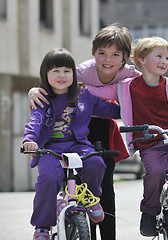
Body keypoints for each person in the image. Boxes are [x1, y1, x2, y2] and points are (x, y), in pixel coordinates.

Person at [27, 24, 168, 240]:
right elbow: (49, 92)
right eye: (102, 53)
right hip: (71, 130)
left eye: (115, 54)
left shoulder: (128, 75)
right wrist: (33, 91)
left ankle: (102, 224)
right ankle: (60, 228)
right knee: (53, 177)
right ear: (93, 53)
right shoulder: (80, 73)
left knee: (102, 177)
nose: (107, 59)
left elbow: (152, 82)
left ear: (124, 58)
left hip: (98, 128)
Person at [86, 36, 168, 237]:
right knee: (155, 172)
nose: (164, 61)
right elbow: (98, 91)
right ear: (140, 60)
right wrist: (70, 87)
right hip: (150, 142)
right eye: (158, 56)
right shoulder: (126, 87)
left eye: (167, 58)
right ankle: (149, 213)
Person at [23, 48, 122, 240]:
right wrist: (29, 140)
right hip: (49, 149)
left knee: (96, 163)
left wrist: (133, 109)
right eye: (56, 71)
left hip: (77, 145)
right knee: (48, 179)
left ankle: (91, 198)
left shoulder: (83, 94)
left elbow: (108, 109)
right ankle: (42, 227)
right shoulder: (42, 98)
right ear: (46, 74)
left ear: (74, 74)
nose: (62, 75)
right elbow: (35, 121)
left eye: (67, 71)